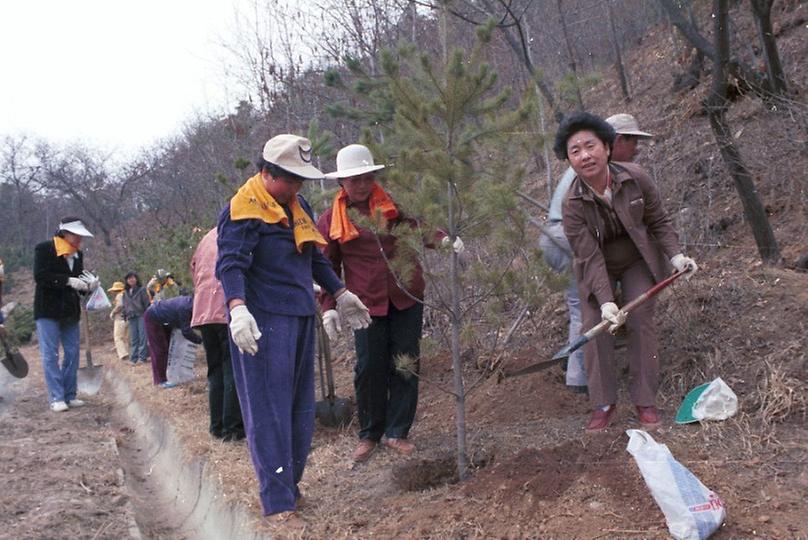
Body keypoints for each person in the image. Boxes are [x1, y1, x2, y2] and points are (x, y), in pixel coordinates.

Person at [216, 134, 371, 524]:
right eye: (292, 179)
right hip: (263, 321)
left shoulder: (295, 204)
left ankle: (292, 486)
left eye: (302, 180)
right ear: (268, 174)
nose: (299, 187)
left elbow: (313, 257)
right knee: (269, 411)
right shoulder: (243, 209)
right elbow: (231, 264)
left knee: (300, 411)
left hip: (301, 315)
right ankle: (277, 501)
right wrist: (237, 309)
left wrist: (340, 291)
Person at [317, 144, 464, 462]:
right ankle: (369, 433)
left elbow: (419, 228)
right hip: (364, 304)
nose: (361, 184)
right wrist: (328, 306)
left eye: (366, 177)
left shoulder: (391, 207)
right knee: (369, 366)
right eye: (353, 179)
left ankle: (397, 432)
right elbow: (326, 266)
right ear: (341, 183)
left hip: (405, 295)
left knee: (406, 362)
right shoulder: (331, 220)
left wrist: (443, 240)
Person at [553, 112, 698, 432]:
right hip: (596, 265)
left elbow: (659, 221)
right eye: (575, 151)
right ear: (568, 160)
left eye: (590, 146)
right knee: (596, 326)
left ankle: (645, 401)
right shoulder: (572, 203)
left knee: (642, 320)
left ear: (607, 147)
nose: (584, 155)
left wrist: (676, 256)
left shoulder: (635, 177)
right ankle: (603, 404)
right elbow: (588, 256)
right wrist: (606, 302)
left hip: (636, 259)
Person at [540, 113, 654, 393]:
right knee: (585, 300)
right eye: (632, 141)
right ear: (615, 140)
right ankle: (579, 377)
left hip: (558, 236)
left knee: (584, 301)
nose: (636, 149)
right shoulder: (593, 169)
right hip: (563, 238)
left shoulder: (603, 167)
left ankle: (570, 361)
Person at [33, 217, 99, 412]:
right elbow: (41, 277)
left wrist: (89, 287)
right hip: (48, 310)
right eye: (76, 235)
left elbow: (79, 286)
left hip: (70, 311)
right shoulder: (44, 249)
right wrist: (67, 281)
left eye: (81, 236)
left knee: (72, 352)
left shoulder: (77, 255)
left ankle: (70, 395)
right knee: (50, 354)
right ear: (65, 233)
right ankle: (57, 396)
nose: (79, 239)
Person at [190, 228, 244, 441]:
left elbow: (194, 269)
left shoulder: (206, 238)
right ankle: (232, 429)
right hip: (226, 307)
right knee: (232, 367)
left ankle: (217, 426)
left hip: (203, 310)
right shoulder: (238, 233)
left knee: (215, 370)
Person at [143, 294, 201, 388]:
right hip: (152, 317)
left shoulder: (191, 304)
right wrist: (200, 341)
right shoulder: (185, 307)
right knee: (159, 350)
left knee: (170, 347)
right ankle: (160, 380)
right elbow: (186, 331)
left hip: (167, 320)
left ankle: (170, 375)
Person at [122, 272, 150, 365]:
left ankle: (142, 358)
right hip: (131, 316)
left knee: (143, 337)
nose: (131, 280)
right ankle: (133, 358)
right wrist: (125, 315)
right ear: (126, 280)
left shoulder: (142, 290)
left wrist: (147, 314)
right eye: (129, 278)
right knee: (133, 338)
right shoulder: (125, 292)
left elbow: (146, 303)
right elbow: (124, 305)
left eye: (133, 278)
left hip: (141, 315)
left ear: (136, 279)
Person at [108, 281, 130, 361]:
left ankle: (123, 354)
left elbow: (120, 305)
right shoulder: (127, 295)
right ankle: (129, 352)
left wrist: (113, 312)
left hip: (120, 319)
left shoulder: (119, 295)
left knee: (118, 338)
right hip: (128, 318)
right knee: (126, 337)